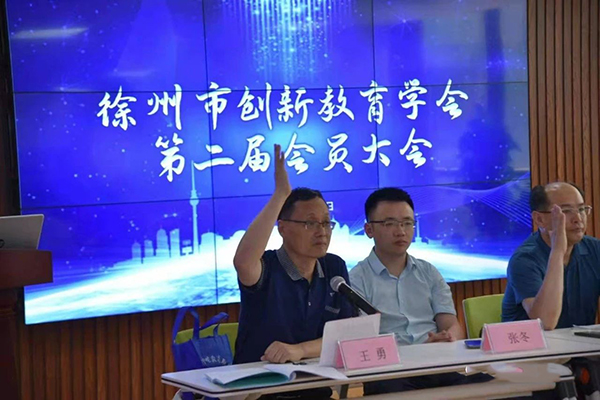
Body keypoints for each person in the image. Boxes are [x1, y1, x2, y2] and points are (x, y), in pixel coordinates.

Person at [349, 187, 491, 395]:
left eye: (407, 223)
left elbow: (451, 325)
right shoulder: (356, 280)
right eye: (389, 223)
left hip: (435, 366)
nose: (401, 231)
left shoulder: (429, 272)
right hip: (389, 374)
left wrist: (448, 338)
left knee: (499, 386)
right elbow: (360, 341)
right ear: (369, 230)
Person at [232, 144, 356, 367]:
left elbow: (346, 334)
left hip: (317, 379)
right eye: (310, 223)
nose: (322, 231)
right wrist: (280, 195)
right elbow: (243, 262)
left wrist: (300, 350)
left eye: (326, 223)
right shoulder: (267, 267)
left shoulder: (334, 266)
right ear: (283, 228)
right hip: (261, 380)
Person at [502, 182, 600, 330]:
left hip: (579, 342)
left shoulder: (595, 249)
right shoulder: (524, 259)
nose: (578, 218)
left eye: (581, 209)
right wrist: (558, 251)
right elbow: (545, 322)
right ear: (539, 219)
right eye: (566, 211)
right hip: (534, 344)